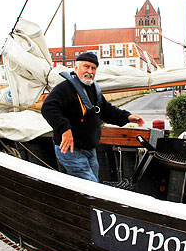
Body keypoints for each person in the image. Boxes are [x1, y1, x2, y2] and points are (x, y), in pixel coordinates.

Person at [41, 52, 144, 182]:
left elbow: (107, 110)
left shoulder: (94, 89)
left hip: (89, 149)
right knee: (91, 185)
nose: (90, 71)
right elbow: (48, 108)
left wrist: (128, 117)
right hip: (71, 150)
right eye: (86, 66)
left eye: (93, 68)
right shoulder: (64, 88)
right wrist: (65, 129)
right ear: (76, 67)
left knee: (91, 183)